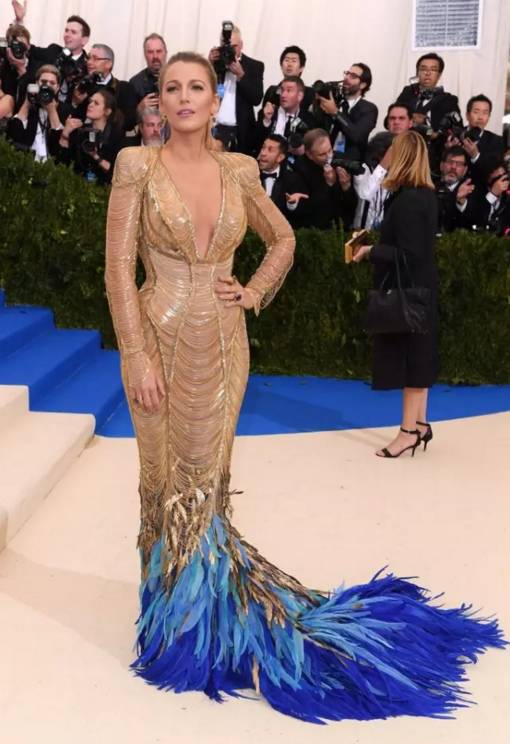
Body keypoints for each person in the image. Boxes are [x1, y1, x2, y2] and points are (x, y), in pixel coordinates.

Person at [104, 52, 503, 722]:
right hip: (155, 340)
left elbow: (283, 240)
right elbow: (118, 268)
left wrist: (253, 291)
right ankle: (167, 622)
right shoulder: (135, 165)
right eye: (171, 87)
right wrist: (136, 354)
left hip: (224, 344)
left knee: (206, 483)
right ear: (159, 101)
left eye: (196, 87)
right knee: (161, 483)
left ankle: (201, 624)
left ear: (215, 100)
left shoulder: (238, 169)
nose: (183, 97)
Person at [353, 130, 439, 457]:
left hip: (409, 292)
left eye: (392, 149)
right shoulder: (424, 194)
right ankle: (421, 424)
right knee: (420, 355)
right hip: (421, 288)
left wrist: (371, 251)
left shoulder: (409, 201)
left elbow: (408, 254)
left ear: (401, 155)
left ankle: (407, 432)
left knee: (411, 361)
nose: (386, 154)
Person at [353, 103, 413, 229]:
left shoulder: (417, 151)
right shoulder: (375, 149)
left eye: (401, 118)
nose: (396, 122)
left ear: (410, 123)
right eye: (392, 118)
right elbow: (365, 193)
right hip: (365, 226)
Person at [208, 24, 264, 154]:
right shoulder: (216, 64)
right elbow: (203, 90)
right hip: (215, 128)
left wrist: (241, 75)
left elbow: (256, 99)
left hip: (240, 131)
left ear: (241, 45)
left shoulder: (254, 66)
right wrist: (209, 64)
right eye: (227, 47)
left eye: (234, 47)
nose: (230, 51)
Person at [290, 128, 356, 229]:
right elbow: (308, 207)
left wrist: (346, 187)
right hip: (316, 227)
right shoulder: (300, 168)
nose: (329, 157)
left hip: (341, 224)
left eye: (330, 150)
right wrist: (328, 184)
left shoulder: (341, 159)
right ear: (309, 155)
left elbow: (352, 205)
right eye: (322, 154)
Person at [58, 88, 123, 184]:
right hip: (78, 184)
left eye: (96, 103)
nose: (90, 105)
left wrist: (95, 156)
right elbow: (63, 162)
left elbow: (115, 171)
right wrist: (65, 133)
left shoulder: (115, 136)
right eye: (90, 101)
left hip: (104, 187)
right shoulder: (81, 131)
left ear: (107, 111)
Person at [316, 62, 378, 162]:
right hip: (325, 160)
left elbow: (357, 135)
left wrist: (336, 113)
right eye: (347, 73)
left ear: (362, 85)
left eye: (353, 76)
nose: (346, 78)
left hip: (352, 164)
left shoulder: (369, 109)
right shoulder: (335, 102)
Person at [6, 63, 65, 160]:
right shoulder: (28, 104)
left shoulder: (64, 109)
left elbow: (58, 147)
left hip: (51, 164)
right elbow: (14, 136)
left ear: (58, 87)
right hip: (27, 160)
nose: (47, 86)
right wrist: (27, 103)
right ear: (36, 83)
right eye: (44, 82)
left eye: (52, 83)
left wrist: (52, 111)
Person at [262, 45, 314, 114]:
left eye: (294, 61)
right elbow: (262, 116)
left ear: (301, 68)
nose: (289, 64)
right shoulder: (272, 91)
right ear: (281, 66)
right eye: (287, 60)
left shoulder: (309, 93)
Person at [129, 33, 167, 110]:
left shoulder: (178, 78)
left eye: (159, 51)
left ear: (165, 53)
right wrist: (139, 109)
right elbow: (127, 115)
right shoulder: (135, 83)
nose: (155, 56)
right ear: (145, 55)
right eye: (150, 52)